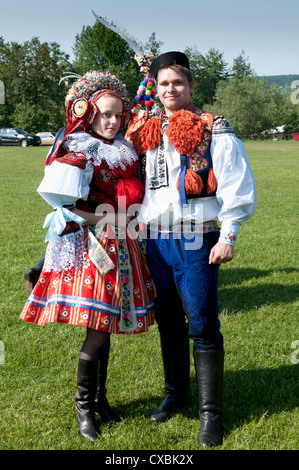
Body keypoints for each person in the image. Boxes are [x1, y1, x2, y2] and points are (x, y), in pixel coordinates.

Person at [127, 51, 257, 448]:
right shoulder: (146, 128)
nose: (171, 89)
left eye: (177, 83)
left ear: (191, 86)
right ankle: (175, 393)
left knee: (201, 320)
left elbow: (236, 182)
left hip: (197, 237)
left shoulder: (212, 127)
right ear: (156, 87)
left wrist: (229, 236)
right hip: (157, 240)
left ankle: (209, 414)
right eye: (164, 83)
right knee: (168, 319)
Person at [20, 70, 155, 442]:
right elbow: (65, 207)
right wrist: (106, 218)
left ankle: (99, 399)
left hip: (122, 242)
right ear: (89, 113)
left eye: (118, 115)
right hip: (91, 246)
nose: (113, 122)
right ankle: (84, 408)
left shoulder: (126, 149)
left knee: (107, 324)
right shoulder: (79, 147)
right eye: (105, 115)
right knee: (97, 332)